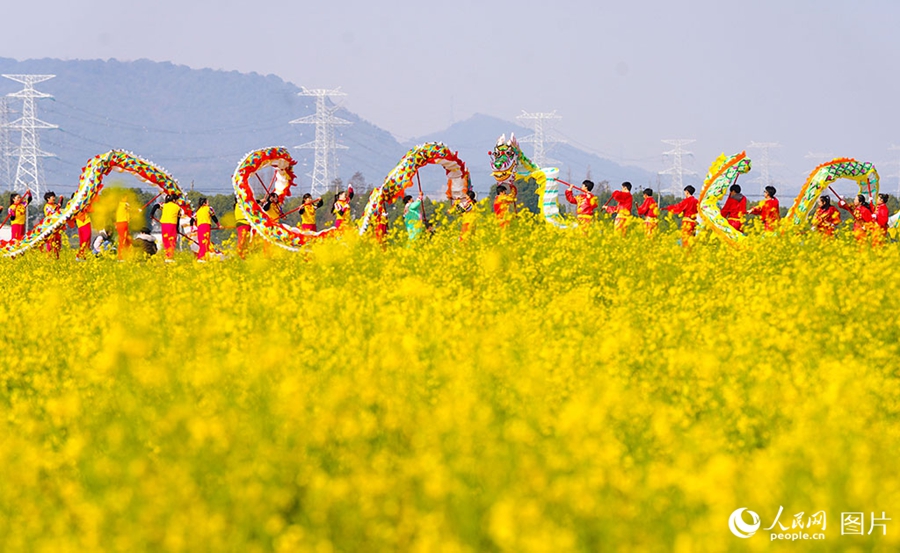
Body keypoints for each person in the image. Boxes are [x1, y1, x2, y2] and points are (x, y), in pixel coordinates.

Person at [150, 194, 184, 261]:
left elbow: (156, 206)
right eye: (177, 200)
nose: (177, 201)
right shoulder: (177, 207)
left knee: (165, 240)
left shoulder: (164, 205)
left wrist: (152, 214)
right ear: (174, 200)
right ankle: (169, 257)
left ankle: (167, 256)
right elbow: (178, 219)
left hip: (164, 224)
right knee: (171, 240)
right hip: (172, 224)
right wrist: (177, 229)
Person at [43, 191, 63, 259]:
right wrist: (57, 208)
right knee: (51, 241)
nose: (54, 198)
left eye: (54, 197)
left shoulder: (55, 205)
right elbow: (51, 214)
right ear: (48, 199)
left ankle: (57, 257)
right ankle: (49, 256)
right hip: (50, 226)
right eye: (52, 197)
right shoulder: (47, 206)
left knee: (57, 242)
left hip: (57, 226)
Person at [115, 195, 132, 261]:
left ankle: (126, 255)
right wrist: (137, 210)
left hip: (120, 223)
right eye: (125, 197)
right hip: (123, 223)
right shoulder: (125, 204)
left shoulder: (118, 205)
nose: (126, 198)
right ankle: (121, 256)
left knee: (127, 240)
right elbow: (131, 210)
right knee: (123, 240)